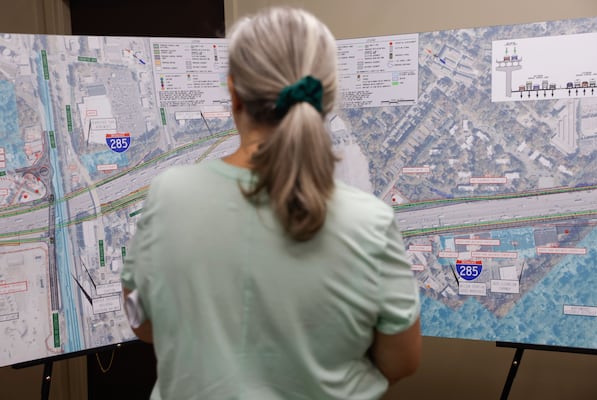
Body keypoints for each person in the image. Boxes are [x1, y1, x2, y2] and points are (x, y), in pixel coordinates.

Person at [121, 7, 421, 400]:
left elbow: (143, 326)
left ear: (234, 94)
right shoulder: (370, 222)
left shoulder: (168, 195)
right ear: (326, 100)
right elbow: (401, 362)